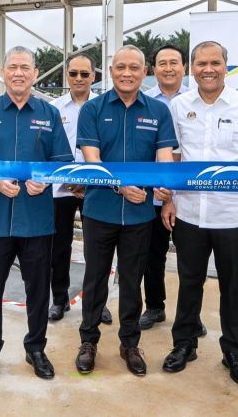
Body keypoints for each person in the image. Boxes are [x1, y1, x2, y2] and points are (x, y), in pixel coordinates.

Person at [0, 46, 73, 380]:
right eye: (12, 67)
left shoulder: (48, 114)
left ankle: (35, 348)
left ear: (35, 73)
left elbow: (62, 164)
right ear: (3, 72)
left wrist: (44, 181)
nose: (19, 73)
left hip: (36, 220)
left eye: (25, 67)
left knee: (38, 290)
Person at [161, 40, 238, 387]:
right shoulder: (179, 106)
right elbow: (174, 158)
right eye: (201, 63)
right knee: (188, 283)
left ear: (227, 66)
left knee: (233, 288)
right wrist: (169, 199)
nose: (208, 69)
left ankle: (234, 353)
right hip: (190, 213)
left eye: (215, 63)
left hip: (233, 215)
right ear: (191, 68)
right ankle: (184, 344)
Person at [74, 46, 176, 377]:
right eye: (120, 67)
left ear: (144, 71)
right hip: (99, 210)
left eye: (134, 67)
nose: (127, 73)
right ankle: (88, 341)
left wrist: (162, 186)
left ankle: (130, 343)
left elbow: (164, 157)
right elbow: (93, 162)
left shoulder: (159, 111)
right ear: (111, 70)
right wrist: (121, 186)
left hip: (139, 216)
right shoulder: (92, 109)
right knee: (95, 279)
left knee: (132, 281)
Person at [48, 54, 105, 323]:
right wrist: (68, 178)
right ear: (66, 76)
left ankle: (97, 301)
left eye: (85, 73)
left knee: (97, 248)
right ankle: (59, 299)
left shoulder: (105, 107)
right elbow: (48, 149)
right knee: (59, 247)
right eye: (74, 73)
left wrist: (87, 179)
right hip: (61, 188)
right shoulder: (54, 108)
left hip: (96, 188)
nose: (79, 78)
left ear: (94, 76)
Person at [138, 44, 188, 330]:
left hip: (188, 197)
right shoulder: (142, 102)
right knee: (151, 257)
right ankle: (155, 307)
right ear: (153, 69)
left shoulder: (196, 102)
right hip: (151, 197)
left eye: (174, 62)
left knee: (190, 263)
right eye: (162, 63)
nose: (168, 68)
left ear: (184, 67)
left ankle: (187, 314)